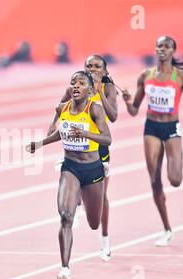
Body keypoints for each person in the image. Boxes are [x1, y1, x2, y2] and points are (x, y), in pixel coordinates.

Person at [121, 36, 183, 246]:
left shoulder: (182, 77)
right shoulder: (146, 76)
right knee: (154, 182)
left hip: (171, 128)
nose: (162, 49)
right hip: (151, 128)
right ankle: (167, 229)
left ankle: (175, 164)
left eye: (167, 46)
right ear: (155, 49)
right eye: (159, 45)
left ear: (173, 51)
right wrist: (127, 101)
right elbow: (134, 111)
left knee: (175, 180)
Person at [27, 71, 112, 279]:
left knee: (94, 223)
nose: (76, 85)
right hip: (70, 167)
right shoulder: (62, 108)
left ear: (90, 90)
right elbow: (61, 132)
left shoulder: (95, 109)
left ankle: (91, 213)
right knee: (65, 216)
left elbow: (107, 138)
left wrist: (84, 134)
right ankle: (65, 268)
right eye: (73, 82)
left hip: (92, 170)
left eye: (81, 83)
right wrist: (40, 144)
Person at [47, 55, 118, 261]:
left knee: (102, 196)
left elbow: (113, 117)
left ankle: (104, 237)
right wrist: (51, 129)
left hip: (99, 149)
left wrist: (99, 93)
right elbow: (60, 109)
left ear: (104, 71)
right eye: (89, 66)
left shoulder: (108, 89)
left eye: (97, 66)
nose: (93, 69)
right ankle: (74, 206)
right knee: (72, 177)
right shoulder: (75, 88)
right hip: (74, 147)